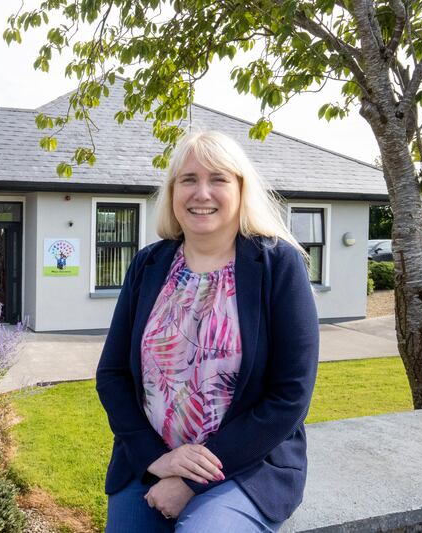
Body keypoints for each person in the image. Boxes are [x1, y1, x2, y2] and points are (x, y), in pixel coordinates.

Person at [96, 130, 319, 532]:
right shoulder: (149, 265)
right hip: (150, 458)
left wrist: (191, 478)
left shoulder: (277, 264)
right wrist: (156, 459)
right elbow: (111, 375)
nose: (202, 193)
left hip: (246, 466)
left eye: (218, 179)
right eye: (188, 179)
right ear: (172, 192)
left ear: (240, 189)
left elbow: (290, 395)